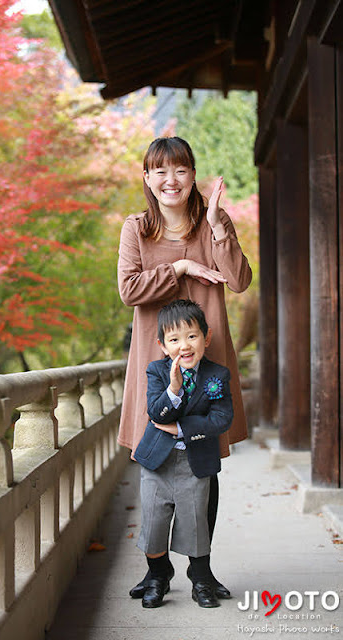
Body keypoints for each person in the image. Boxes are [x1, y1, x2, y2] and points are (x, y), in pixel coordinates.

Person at [117, 136, 252, 597]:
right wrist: (181, 269)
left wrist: (216, 227)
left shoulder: (213, 224)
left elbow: (238, 280)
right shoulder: (136, 228)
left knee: (203, 465)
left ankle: (201, 571)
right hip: (156, 366)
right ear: (147, 179)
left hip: (207, 363)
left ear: (193, 175)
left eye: (179, 170)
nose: (169, 180)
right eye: (160, 171)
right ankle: (157, 571)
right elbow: (130, 290)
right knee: (154, 467)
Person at [134, 299, 233, 608]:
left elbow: (221, 419)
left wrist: (180, 430)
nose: (184, 346)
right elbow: (155, 412)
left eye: (191, 336)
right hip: (157, 462)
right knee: (153, 523)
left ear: (207, 337)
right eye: (174, 339)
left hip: (196, 461)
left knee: (195, 523)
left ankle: (201, 581)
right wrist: (174, 389)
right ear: (163, 345)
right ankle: (158, 575)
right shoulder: (157, 372)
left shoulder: (217, 375)